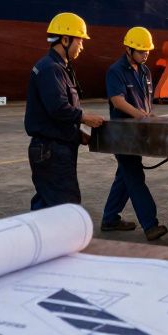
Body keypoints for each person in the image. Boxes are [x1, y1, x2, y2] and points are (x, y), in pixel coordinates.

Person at [24, 12, 105, 211]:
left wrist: (78, 134)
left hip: (52, 148)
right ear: (65, 39)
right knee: (65, 206)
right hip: (52, 150)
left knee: (46, 204)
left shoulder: (57, 67)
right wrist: (85, 118)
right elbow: (58, 108)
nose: (82, 46)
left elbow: (56, 113)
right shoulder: (51, 68)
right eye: (80, 41)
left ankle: (38, 231)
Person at [101, 26, 168, 240]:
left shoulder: (145, 71)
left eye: (147, 51)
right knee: (134, 176)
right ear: (128, 50)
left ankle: (110, 219)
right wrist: (140, 115)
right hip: (122, 135)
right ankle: (150, 225)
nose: (145, 54)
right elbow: (117, 101)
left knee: (125, 176)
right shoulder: (116, 71)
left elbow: (146, 101)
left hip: (138, 133)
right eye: (141, 51)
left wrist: (149, 115)